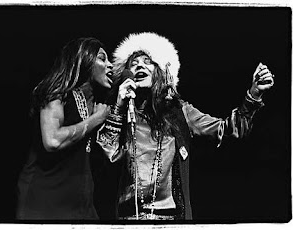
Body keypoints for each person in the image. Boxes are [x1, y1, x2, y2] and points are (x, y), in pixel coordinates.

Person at [96, 32, 274, 220]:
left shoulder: (180, 112)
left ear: (161, 71)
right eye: (133, 63)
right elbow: (106, 159)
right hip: (128, 219)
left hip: (172, 219)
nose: (139, 65)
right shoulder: (118, 113)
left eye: (147, 61)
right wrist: (118, 108)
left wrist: (253, 96)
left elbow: (228, 130)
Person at [16, 37, 113, 220]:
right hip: (45, 200)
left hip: (82, 203)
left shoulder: (97, 103)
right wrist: (96, 119)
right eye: (102, 58)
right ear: (83, 60)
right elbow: (52, 140)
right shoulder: (57, 92)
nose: (110, 65)